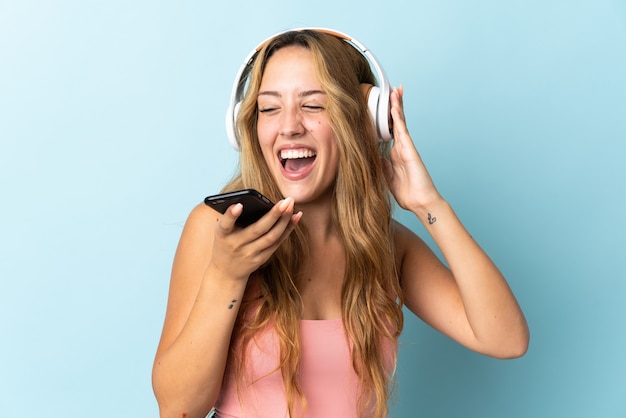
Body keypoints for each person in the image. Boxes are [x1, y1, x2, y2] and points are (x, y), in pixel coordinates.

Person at [151, 28, 529, 418]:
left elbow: (505, 338)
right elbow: (178, 408)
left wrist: (427, 203)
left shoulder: (385, 245)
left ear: (364, 120)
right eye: (269, 108)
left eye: (314, 105)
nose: (290, 126)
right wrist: (226, 276)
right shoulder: (221, 231)